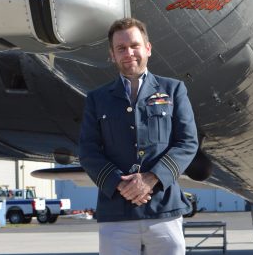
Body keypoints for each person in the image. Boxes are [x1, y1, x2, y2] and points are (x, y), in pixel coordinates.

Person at [79, 18, 198, 255]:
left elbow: (187, 142)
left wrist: (151, 178)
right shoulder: (97, 99)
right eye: (121, 48)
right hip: (116, 214)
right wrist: (121, 185)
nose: (129, 53)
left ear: (148, 48)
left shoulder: (173, 90)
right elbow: (88, 151)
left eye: (134, 45)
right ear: (112, 54)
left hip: (164, 211)